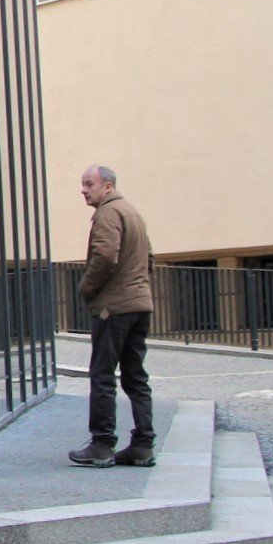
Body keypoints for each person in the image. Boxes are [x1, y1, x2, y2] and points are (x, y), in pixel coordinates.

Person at [70, 164, 155, 468]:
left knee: (103, 374)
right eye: (82, 184)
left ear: (107, 186)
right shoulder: (132, 212)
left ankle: (102, 443)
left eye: (88, 184)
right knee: (135, 376)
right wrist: (139, 288)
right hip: (139, 304)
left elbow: (105, 255)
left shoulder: (108, 213)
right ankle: (143, 445)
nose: (83, 189)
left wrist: (87, 287)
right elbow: (149, 257)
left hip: (114, 308)